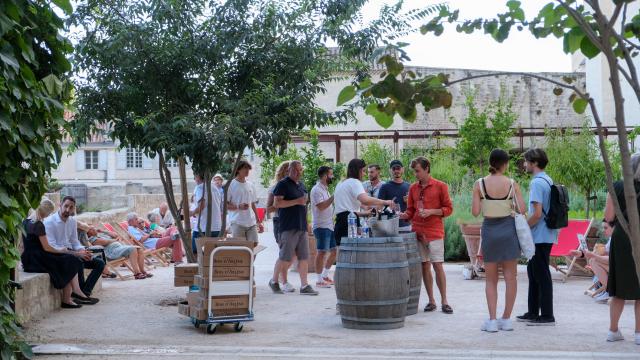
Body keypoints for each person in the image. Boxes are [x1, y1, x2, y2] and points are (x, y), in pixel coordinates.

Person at [471, 149, 525, 332]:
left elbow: (476, 212)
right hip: (508, 231)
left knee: (491, 279)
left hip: (490, 232)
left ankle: (492, 321)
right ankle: (506, 319)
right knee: (511, 277)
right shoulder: (512, 183)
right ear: (505, 164)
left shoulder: (479, 184)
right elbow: (522, 209)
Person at [400, 156, 453, 314]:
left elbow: (449, 209)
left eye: (417, 171)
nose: (415, 174)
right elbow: (411, 210)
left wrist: (431, 212)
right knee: (424, 265)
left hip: (434, 231)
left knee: (438, 265)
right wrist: (403, 215)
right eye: (414, 171)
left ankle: (445, 301)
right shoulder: (413, 188)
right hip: (417, 232)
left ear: (427, 169)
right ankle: (431, 301)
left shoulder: (440, 186)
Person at [22, 198, 97, 308]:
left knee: (68, 259)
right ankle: (70, 296)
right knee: (70, 259)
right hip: (37, 259)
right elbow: (47, 248)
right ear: (46, 212)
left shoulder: (25, 222)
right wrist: (61, 250)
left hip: (29, 259)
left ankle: (72, 295)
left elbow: (24, 245)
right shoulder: (38, 225)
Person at [516, 148, 558, 326]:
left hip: (539, 236)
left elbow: (537, 213)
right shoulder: (547, 180)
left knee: (541, 275)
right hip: (546, 234)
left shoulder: (536, 183)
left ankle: (547, 315)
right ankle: (533, 312)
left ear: (534, 163)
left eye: (526, 161)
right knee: (533, 273)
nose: (524, 164)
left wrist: (522, 228)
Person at [603, 153, 640, 345]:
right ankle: (639, 333)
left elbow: (608, 216)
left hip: (622, 238)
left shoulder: (616, 186)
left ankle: (613, 330)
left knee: (619, 288)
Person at [269, 160, 318, 295]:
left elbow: (304, 205)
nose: (298, 172)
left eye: (300, 170)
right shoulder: (282, 184)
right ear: (289, 170)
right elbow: (277, 203)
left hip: (301, 225)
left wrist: (307, 223)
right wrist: (296, 201)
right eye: (295, 170)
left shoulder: (302, 185)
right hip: (288, 225)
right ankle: (274, 281)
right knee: (285, 256)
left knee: (304, 257)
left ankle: (304, 286)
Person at [44, 196, 104, 298]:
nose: (68, 210)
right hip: (58, 254)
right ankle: (81, 294)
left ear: (74, 208)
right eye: (66, 206)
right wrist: (77, 254)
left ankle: (85, 292)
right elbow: (52, 246)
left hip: (72, 252)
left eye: (71, 207)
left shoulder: (72, 221)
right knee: (77, 261)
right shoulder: (49, 222)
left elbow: (75, 242)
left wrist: (82, 250)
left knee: (100, 263)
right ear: (60, 205)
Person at [334, 159, 395, 246]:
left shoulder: (341, 183)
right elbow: (365, 200)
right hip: (349, 224)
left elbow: (345, 211)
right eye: (363, 171)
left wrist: (365, 213)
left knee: (342, 255)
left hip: (340, 223)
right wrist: (384, 202)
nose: (364, 174)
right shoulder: (355, 182)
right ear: (357, 170)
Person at [79, 222, 152, 280]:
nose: (95, 229)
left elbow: (115, 235)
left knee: (139, 249)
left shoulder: (100, 234)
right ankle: (137, 273)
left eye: (94, 228)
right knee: (132, 249)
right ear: (88, 233)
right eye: (92, 229)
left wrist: (103, 231)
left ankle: (142, 271)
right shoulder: (92, 239)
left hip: (119, 248)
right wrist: (115, 240)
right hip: (112, 252)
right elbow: (105, 242)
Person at [266, 161, 296, 292]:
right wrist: (284, 203)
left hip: (292, 221)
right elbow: (268, 208)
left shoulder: (294, 186)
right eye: (293, 170)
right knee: (285, 253)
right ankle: (280, 281)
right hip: (280, 221)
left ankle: (280, 279)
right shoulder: (275, 187)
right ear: (285, 171)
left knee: (292, 254)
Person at [570, 220, 613, 303]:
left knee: (594, 260)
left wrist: (594, 256)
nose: (603, 230)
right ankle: (608, 290)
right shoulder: (612, 239)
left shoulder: (619, 240)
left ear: (614, 227)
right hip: (618, 267)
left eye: (606, 228)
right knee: (593, 260)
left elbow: (612, 260)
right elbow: (602, 253)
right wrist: (581, 254)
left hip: (625, 270)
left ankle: (610, 290)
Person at [311, 166, 336, 288]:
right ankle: (319, 279)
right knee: (321, 252)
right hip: (321, 226)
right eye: (331, 174)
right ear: (325, 176)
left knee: (334, 251)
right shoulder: (316, 190)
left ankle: (325, 275)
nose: (333, 177)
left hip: (329, 225)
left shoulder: (325, 189)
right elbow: (321, 206)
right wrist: (334, 197)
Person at [227, 160, 263, 243]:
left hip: (251, 223)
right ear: (238, 169)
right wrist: (238, 207)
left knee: (254, 247)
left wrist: (259, 221)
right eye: (245, 168)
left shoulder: (251, 185)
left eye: (248, 168)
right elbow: (224, 205)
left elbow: (253, 204)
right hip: (237, 223)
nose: (247, 170)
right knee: (240, 251)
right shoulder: (230, 185)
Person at [190, 173, 222, 254]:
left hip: (203, 227)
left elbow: (202, 205)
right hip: (217, 227)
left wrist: (191, 213)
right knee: (213, 255)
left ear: (198, 177)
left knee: (195, 252)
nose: (195, 180)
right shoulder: (215, 187)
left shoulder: (200, 187)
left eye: (195, 177)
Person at [378, 160, 411, 230]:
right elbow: (379, 208)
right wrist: (387, 207)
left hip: (406, 226)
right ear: (390, 171)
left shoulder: (409, 186)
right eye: (394, 169)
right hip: (389, 226)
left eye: (398, 168)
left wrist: (408, 202)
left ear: (403, 169)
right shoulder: (385, 187)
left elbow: (414, 208)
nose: (396, 171)